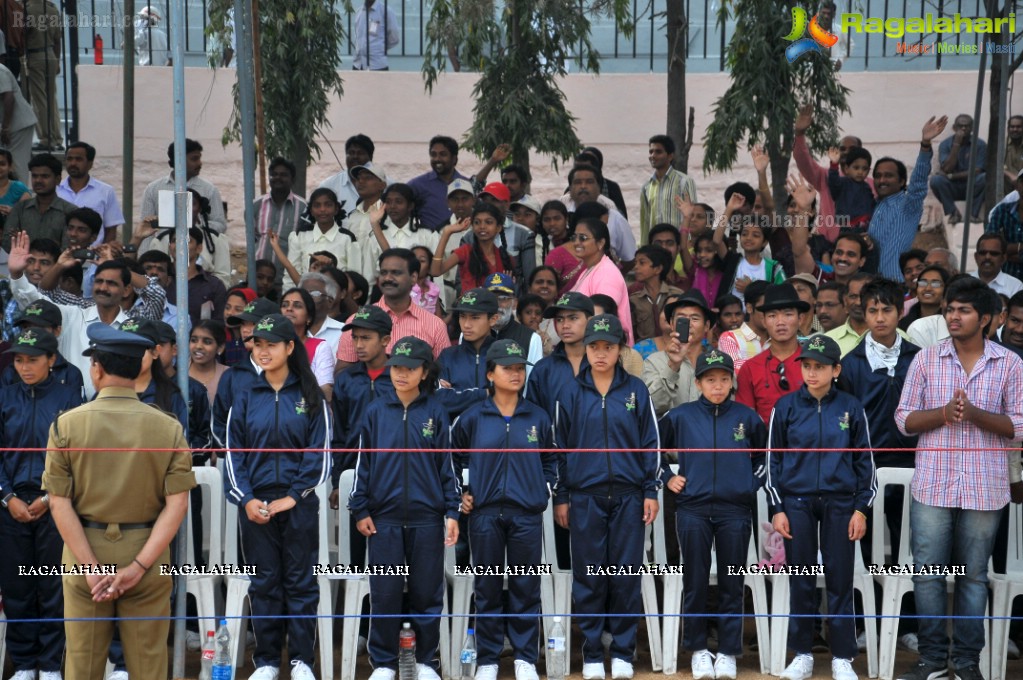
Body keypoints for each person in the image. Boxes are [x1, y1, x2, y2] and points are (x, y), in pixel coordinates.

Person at [43, 324, 195, 680]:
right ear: (140, 367)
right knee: (148, 664)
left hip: (85, 550)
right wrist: (140, 566)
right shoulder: (168, 427)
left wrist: (90, 566)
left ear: (96, 368)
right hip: (148, 551)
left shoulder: (67, 425)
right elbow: (177, 505)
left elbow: (58, 504)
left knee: (83, 663)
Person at [894, 277, 1023, 680]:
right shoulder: (926, 359)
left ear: (985, 318)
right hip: (933, 483)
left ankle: (967, 663)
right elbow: (904, 420)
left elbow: (1021, 424)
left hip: (985, 487)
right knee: (927, 574)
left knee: (973, 577)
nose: (953, 315)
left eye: (963, 310)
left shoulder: (1011, 363)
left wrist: (978, 415)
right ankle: (932, 660)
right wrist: (944, 414)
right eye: (950, 309)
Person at [553, 313, 660, 680]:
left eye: (608, 347)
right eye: (594, 346)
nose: (600, 354)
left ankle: (625, 652)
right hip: (584, 496)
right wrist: (562, 496)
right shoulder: (570, 392)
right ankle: (594, 652)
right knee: (590, 576)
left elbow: (650, 444)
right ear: (586, 349)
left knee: (625, 574)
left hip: (630, 495)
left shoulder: (636, 391)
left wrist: (650, 490)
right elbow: (558, 449)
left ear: (620, 350)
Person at [224, 313, 330, 680]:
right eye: (258, 344)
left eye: (272, 344)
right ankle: (267, 661)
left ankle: (303, 661)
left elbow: (319, 453)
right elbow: (232, 453)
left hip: (298, 504)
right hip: (255, 504)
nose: (263, 350)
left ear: (290, 347)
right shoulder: (245, 393)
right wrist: (246, 499)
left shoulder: (310, 393)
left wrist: (295, 496)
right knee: (265, 581)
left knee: (300, 582)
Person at [350, 335, 459, 680]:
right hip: (383, 520)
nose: (401, 373)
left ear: (425, 372)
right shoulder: (375, 412)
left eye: (410, 368)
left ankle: (426, 661)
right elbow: (362, 465)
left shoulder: (436, 413)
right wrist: (360, 508)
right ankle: (383, 663)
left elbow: (448, 469)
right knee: (385, 594)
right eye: (396, 366)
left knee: (428, 593)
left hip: (428, 519)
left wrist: (452, 512)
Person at [767, 333, 875, 680]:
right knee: (800, 578)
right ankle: (802, 653)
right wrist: (778, 507)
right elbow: (773, 462)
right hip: (796, 502)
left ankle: (842, 656)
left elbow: (865, 464)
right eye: (807, 366)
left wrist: (861, 509)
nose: (812, 373)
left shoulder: (850, 406)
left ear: (836, 369)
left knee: (840, 579)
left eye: (820, 367)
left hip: (841, 502)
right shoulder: (785, 407)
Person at [452, 339, 557, 680]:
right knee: (487, 588)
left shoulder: (537, 417)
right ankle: (488, 659)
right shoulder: (472, 417)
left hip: (526, 514)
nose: (515, 374)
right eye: (507, 368)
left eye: (518, 368)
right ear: (490, 374)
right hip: (483, 515)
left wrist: (542, 490)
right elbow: (451, 460)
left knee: (526, 586)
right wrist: (461, 494)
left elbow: (552, 461)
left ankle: (526, 656)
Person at [660, 349, 766, 680]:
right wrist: (667, 477)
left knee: (732, 582)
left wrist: (750, 484)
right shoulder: (681, 416)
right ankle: (698, 651)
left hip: (735, 510)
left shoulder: (747, 417)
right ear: (698, 382)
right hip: (692, 509)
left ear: (732, 382)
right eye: (710, 380)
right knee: (695, 581)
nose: (717, 386)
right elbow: (651, 449)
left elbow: (766, 459)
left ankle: (728, 652)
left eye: (723, 379)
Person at [0, 328, 83, 680]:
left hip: (56, 505)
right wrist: (7, 497)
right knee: (18, 587)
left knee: (52, 585)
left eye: (32, 359)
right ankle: (24, 663)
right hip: (10, 505)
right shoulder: (4, 397)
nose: (24, 367)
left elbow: (78, 457)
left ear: (52, 360)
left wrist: (51, 497)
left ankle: (50, 664)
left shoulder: (70, 400)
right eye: (19, 360)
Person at [335, 248, 451, 369]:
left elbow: (444, 373)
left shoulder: (435, 325)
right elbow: (342, 373)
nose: (388, 278)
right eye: (383, 273)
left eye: (396, 273)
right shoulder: (356, 321)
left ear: (413, 277)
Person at [869, 116, 948, 280]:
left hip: (896, 284)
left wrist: (925, 145)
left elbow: (918, 184)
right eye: (878, 176)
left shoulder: (907, 205)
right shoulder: (872, 206)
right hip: (872, 286)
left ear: (902, 181)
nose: (882, 180)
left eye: (888, 176)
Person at [330, 304, 393, 505]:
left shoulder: (400, 377)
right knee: (354, 534)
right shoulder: (346, 380)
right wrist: (338, 481)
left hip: (393, 471)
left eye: (366, 338)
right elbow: (339, 435)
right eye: (355, 337)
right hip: (352, 472)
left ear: (385, 340)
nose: (358, 345)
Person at [735, 283, 808, 423]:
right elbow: (745, 421)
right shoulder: (750, 368)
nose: (780, 322)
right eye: (772, 316)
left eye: (788, 314)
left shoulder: (815, 364)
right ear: (764, 321)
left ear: (800, 319)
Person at [642, 290, 715, 417]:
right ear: (671, 323)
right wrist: (672, 366)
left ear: (706, 326)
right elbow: (650, 406)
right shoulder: (653, 362)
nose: (689, 324)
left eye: (695, 318)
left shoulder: (717, 362)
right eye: (682, 319)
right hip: (672, 435)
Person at [526, 291, 594, 419]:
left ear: (590, 321)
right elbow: (533, 418)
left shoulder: (602, 364)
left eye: (573, 318)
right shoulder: (543, 369)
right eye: (559, 319)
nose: (565, 325)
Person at [140, 139, 228, 235]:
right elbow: (145, 227)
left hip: (199, 248)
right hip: (162, 248)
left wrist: (197, 224)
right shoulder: (153, 189)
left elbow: (220, 225)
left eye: (199, 158)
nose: (200, 163)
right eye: (194, 159)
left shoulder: (209, 189)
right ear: (179, 161)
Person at [569, 218, 634, 345]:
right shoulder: (589, 269)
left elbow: (603, 321)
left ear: (600, 243)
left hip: (603, 348)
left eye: (583, 238)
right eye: (574, 237)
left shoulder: (606, 273)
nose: (577, 242)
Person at [561, 164, 636, 267]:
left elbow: (630, 259)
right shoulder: (561, 217)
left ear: (599, 188)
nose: (583, 186)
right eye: (578, 182)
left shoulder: (614, 218)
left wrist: (613, 275)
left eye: (589, 182)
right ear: (570, 188)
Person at [285, 187, 359, 289]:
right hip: (306, 299)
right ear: (311, 210)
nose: (322, 209)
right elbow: (290, 276)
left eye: (328, 205)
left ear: (336, 209)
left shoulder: (347, 239)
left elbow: (354, 277)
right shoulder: (299, 236)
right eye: (317, 205)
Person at [432, 202, 514, 295]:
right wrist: (447, 232)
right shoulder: (465, 251)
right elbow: (435, 271)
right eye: (477, 222)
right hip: (469, 308)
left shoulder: (505, 257)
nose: (482, 226)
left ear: (498, 227)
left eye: (488, 222)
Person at [2, 154, 76, 252]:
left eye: (45, 176)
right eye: (34, 176)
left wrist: (24, 243)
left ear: (57, 180)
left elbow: (68, 248)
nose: (38, 180)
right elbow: (8, 242)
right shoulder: (20, 209)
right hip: (24, 266)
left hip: (59, 266)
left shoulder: (70, 212)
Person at [56, 142, 126, 245]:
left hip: (93, 258)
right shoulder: (56, 190)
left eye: (78, 159)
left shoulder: (105, 191)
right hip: (60, 256)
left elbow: (111, 229)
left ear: (90, 163)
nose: (73, 163)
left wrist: (102, 257)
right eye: (69, 159)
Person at [254, 157, 307, 292]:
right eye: (274, 174)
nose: (278, 178)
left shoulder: (303, 207)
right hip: (257, 280)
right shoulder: (256, 205)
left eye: (283, 175)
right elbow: (253, 238)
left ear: (292, 179)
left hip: (286, 280)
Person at [639, 134, 697, 245]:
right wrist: (644, 247)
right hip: (656, 249)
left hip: (680, 247)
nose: (653, 156)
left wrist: (689, 246)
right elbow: (645, 222)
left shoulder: (684, 182)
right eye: (651, 152)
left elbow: (692, 216)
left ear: (670, 156)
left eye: (658, 152)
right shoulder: (646, 187)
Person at [930, 114, 987, 225]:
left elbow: (978, 171)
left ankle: (973, 214)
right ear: (954, 128)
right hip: (952, 187)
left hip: (972, 186)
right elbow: (947, 168)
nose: (964, 129)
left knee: (984, 178)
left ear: (973, 128)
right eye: (960, 126)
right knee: (936, 180)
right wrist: (956, 144)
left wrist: (952, 176)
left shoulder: (980, 144)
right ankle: (954, 213)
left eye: (967, 126)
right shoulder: (945, 144)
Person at [281, 286, 336, 399]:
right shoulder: (270, 344)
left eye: (297, 305)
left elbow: (326, 390)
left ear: (309, 317)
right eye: (285, 305)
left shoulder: (319, 347)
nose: (289, 309)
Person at [408, 135, 471, 230]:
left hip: (462, 241)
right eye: (433, 155)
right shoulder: (418, 185)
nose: (437, 159)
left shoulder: (466, 185)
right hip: (430, 242)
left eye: (443, 154)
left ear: (454, 159)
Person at [23, 0, 61, 152]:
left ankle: (46, 138)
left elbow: (24, 34)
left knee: (39, 99)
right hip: (51, 54)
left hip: (35, 55)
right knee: (52, 98)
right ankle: (57, 137)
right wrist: (57, 61)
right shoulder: (52, 8)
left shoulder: (27, 9)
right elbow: (58, 39)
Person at [629, 244, 683, 343]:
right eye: (635, 263)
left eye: (642, 263)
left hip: (673, 347)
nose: (635, 267)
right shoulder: (634, 299)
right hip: (645, 353)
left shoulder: (676, 295)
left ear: (658, 269)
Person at [717, 280, 770, 372]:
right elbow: (737, 371)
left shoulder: (780, 338)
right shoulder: (730, 338)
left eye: (773, 309)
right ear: (749, 308)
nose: (769, 314)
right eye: (764, 308)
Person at [318, 133, 374, 213]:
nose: (355, 157)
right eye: (351, 153)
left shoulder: (386, 185)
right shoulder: (329, 185)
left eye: (360, 153)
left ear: (370, 157)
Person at [825, 272, 877, 356]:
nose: (858, 302)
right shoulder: (827, 340)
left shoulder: (897, 337)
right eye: (853, 296)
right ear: (845, 301)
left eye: (864, 296)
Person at [0, 62, 36, 181]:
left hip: (17, 125)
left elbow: (9, 97)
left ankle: (22, 197)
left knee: (17, 165)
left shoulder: (1, 70)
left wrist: (5, 127)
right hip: (10, 125)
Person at [986, 168, 1023, 280]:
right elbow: (990, 245)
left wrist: (1007, 251)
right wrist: (1020, 247)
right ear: (1017, 185)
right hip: (1004, 280)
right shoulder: (1002, 211)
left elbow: (999, 248)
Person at [828, 146, 875, 231]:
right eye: (856, 168)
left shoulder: (867, 187)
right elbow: (833, 182)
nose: (860, 172)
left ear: (868, 171)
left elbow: (871, 206)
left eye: (864, 169)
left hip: (865, 228)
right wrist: (834, 165)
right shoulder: (842, 183)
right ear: (846, 169)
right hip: (847, 228)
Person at [542, 200, 584, 291]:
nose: (552, 223)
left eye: (557, 218)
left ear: (566, 219)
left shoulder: (577, 244)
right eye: (547, 220)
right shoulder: (539, 243)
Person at [188, 319, 228, 403]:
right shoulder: (178, 373)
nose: (198, 346)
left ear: (220, 347)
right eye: (194, 340)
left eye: (207, 342)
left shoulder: (229, 375)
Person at [971, 232, 1023, 297]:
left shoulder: (1016, 287)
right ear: (976, 257)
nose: (987, 257)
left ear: (1003, 258)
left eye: (994, 253)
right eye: (983, 253)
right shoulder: (964, 282)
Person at [899, 265, 948, 332]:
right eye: (923, 283)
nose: (928, 288)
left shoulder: (949, 323)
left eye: (935, 284)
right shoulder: (903, 323)